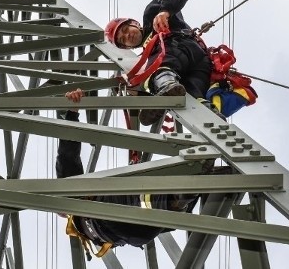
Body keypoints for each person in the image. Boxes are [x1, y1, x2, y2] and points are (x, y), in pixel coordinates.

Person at [56, 88, 202, 259]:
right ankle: (189, 189)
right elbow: (67, 156)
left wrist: (72, 113)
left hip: (131, 233)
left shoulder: (85, 206)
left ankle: (191, 189)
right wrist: (72, 113)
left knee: (160, 211)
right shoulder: (86, 201)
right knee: (147, 200)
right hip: (107, 218)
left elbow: (68, 156)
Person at [104, 0, 216, 125]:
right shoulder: (147, 53)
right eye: (123, 39)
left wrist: (165, 10)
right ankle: (211, 116)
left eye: (126, 30)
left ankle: (166, 84)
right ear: (126, 48)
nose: (127, 36)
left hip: (178, 47)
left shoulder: (151, 15)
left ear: (135, 23)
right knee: (194, 97)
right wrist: (135, 93)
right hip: (198, 66)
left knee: (152, 71)